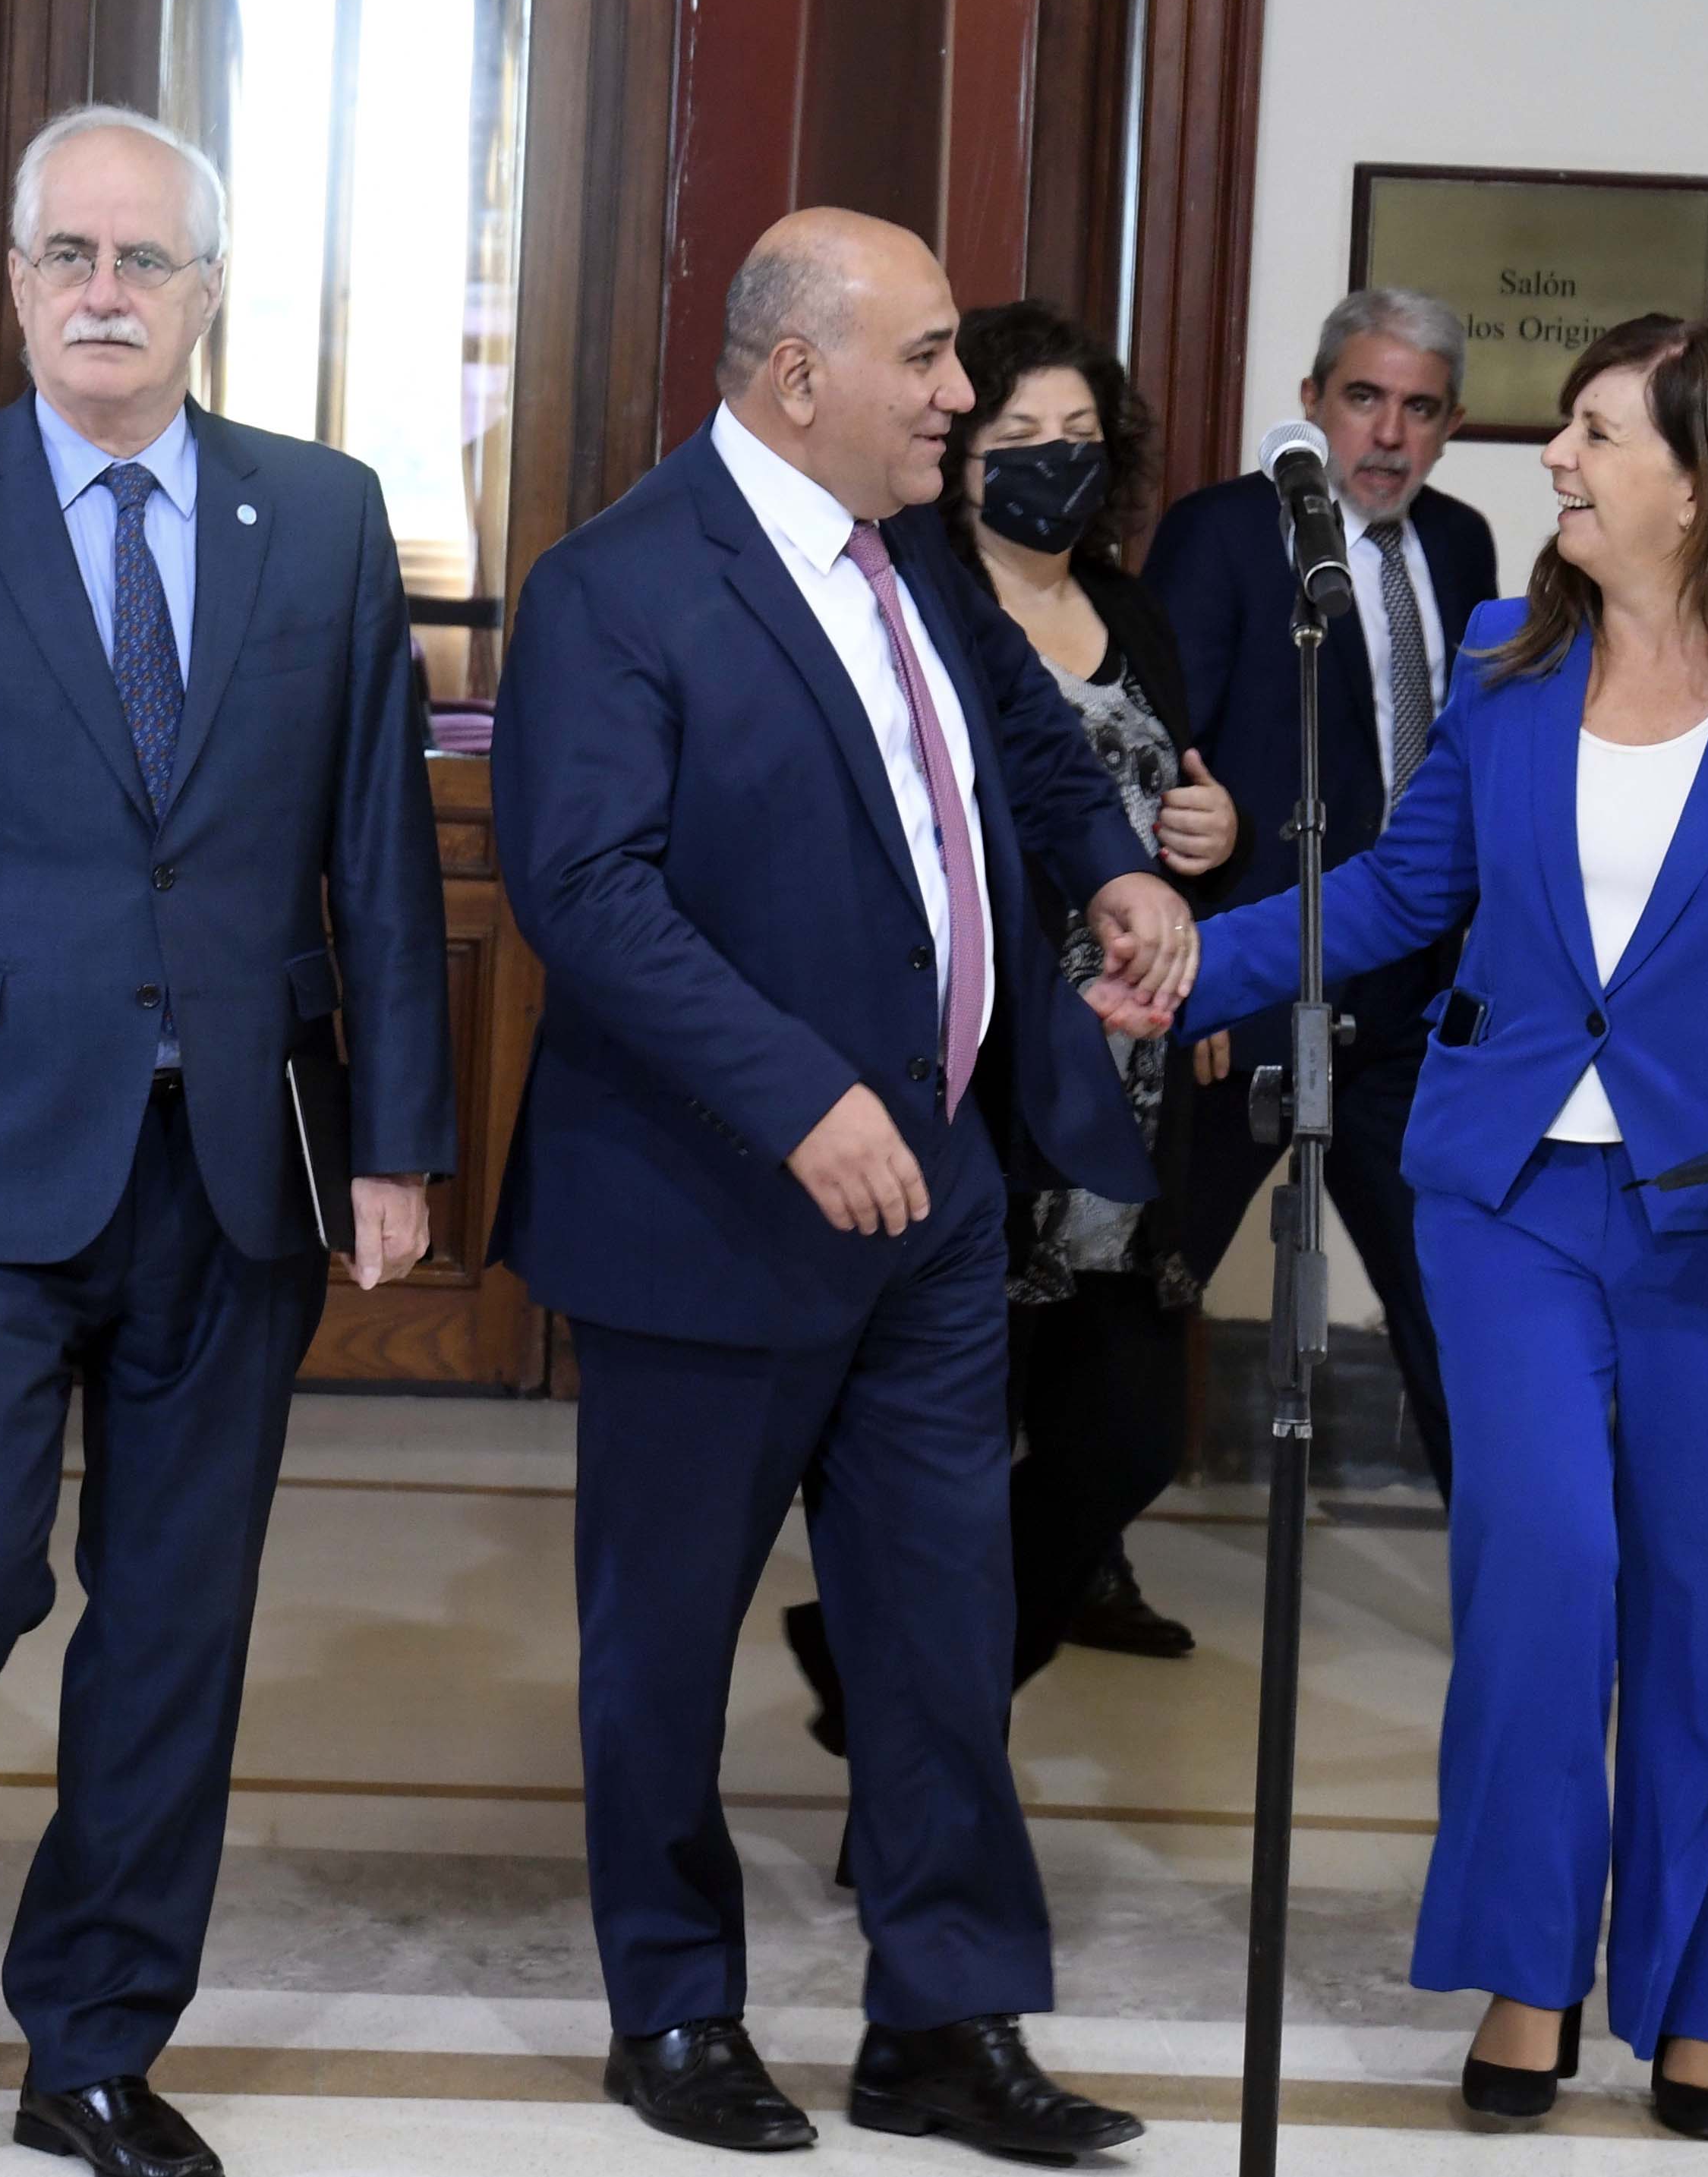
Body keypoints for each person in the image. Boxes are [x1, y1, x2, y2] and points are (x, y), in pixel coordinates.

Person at [1107, 317, 1708, 2141]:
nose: (1550, 458)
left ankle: (1694, 1991)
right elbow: (1405, 890)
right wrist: (1187, 965)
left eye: (1590, 433)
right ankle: (1528, 1972)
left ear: (1702, 481)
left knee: (1707, 1614)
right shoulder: (1505, 659)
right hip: (1511, 1199)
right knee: (1546, 1577)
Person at [0, 104, 452, 2175]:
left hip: (231, 1164)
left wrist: (393, 1140)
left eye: (144, 262)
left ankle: (95, 2041)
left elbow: (378, 866)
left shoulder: (317, 521)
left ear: (207, 293)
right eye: (68, 257)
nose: (104, 294)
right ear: (15, 282)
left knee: (172, 1620)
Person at [492, 211, 1195, 2163]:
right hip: (712, 1205)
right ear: (799, 373)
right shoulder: (615, 588)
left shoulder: (916, 572)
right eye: (933, 360)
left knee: (940, 1632)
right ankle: (678, 2010)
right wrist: (797, 1100)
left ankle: (946, 2022)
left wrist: (1121, 867)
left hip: (938, 1207)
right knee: (663, 1641)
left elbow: (1037, 765)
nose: (962, 400)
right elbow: (588, 896)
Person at [779, 299, 1243, 1735]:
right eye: (1020, 438)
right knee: (946, 1452)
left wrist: (1205, 851)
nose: (1054, 465)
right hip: (979, 1072)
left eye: (1081, 441)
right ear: (961, 445)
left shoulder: (1137, 610)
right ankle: (922, 1759)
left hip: (1127, 1074)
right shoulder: (916, 599)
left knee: (1120, 1440)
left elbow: (1174, 792)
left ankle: (895, 1688)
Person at [1142, 288, 1495, 1498]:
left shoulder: (1461, 545)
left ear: (1449, 425)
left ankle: (1518, 1597)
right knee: (1151, 1279)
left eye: (1417, 409)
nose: (1386, 435)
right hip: (1247, 984)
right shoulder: (1223, 535)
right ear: (1310, 402)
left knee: (1450, 1301)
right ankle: (1071, 1551)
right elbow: (1157, 755)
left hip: (1406, 1007)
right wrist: (1183, 959)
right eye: (1362, 399)